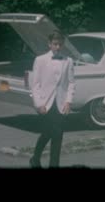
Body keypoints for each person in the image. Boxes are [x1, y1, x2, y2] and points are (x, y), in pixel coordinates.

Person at [29, 30, 75, 168]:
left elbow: (71, 82)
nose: (58, 47)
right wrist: (39, 103)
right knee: (48, 133)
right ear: (49, 44)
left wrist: (68, 101)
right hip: (45, 103)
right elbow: (35, 84)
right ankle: (35, 157)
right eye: (55, 44)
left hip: (61, 103)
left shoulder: (68, 61)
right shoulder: (40, 60)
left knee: (58, 135)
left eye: (60, 44)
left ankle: (53, 165)